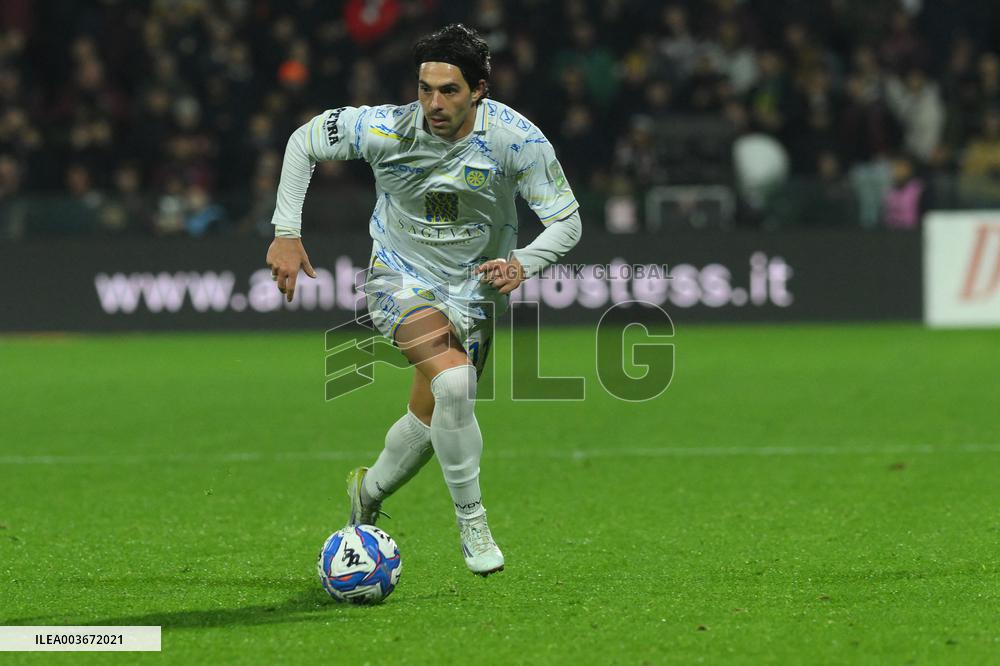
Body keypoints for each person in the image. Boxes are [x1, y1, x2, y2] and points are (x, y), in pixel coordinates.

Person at [264, 24, 582, 576]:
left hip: (477, 291)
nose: (433, 103)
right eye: (425, 88)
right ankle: (473, 521)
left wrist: (522, 263)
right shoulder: (385, 128)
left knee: (434, 416)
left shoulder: (516, 140)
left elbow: (567, 222)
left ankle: (368, 494)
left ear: (479, 90)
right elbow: (303, 141)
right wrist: (286, 231)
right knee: (455, 382)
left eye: (449, 91)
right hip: (400, 278)